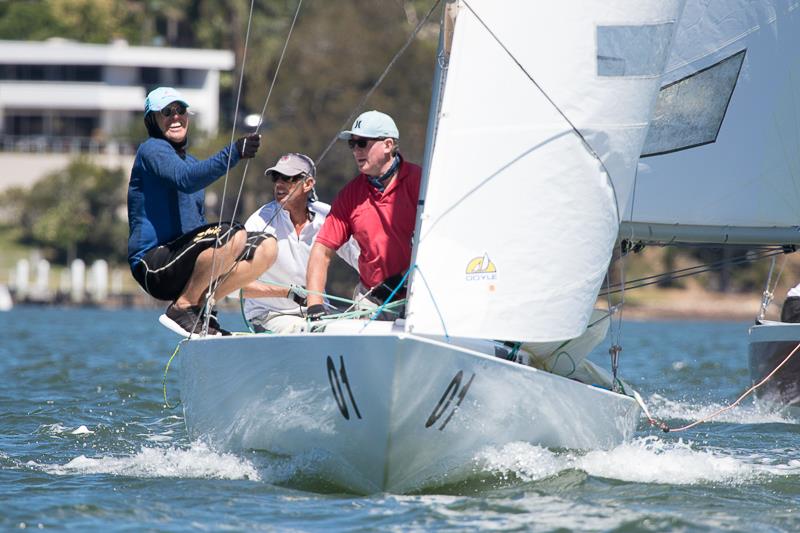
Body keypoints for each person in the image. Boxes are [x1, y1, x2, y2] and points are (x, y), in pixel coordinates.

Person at [127, 86, 277, 336]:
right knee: (233, 234)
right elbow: (186, 179)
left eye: (180, 110)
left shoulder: (192, 163)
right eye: (167, 111)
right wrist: (234, 152)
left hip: (182, 261)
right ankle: (182, 308)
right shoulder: (151, 149)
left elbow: (197, 225)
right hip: (153, 266)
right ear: (152, 120)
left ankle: (202, 307)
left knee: (266, 246)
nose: (175, 117)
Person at [305, 110, 422, 320]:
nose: (356, 151)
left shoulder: (421, 182)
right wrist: (314, 305)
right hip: (372, 298)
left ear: (387, 145)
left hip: (420, 295)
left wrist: (404, 279)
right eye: (352, 144)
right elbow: (322, 250)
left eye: (363, 143)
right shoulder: (350, 195)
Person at [241, 153, 359, 333]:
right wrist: (288, 293)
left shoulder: (326, 215)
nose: (279, 184)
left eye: (288, 178)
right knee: (312, 331)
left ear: (308, 184)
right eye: (276, 177)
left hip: (317, 312)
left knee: (359, 330)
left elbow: (358, 258)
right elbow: (236, 287)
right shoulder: (258, 222)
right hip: (269, 315)